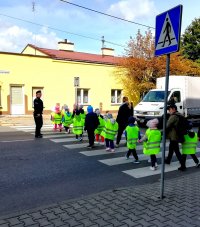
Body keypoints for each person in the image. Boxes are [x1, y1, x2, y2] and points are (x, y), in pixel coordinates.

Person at [165, 104, 186, 171]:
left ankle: (183, 165)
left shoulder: (173, 116)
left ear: (173, 109)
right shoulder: (180, 114)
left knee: (176, 150)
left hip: (174, 135)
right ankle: (168, 160)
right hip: (177, 135)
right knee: (171, 148)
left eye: (169, 109)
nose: (169, 111)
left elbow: (167, 125)